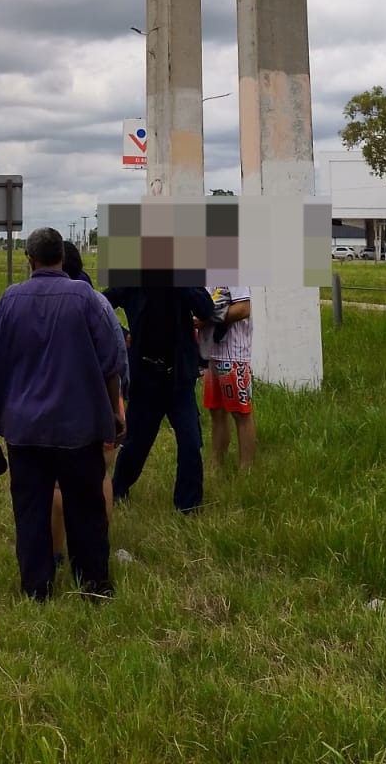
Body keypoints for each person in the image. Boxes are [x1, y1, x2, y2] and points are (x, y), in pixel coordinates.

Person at [0, 226, 124, 601]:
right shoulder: (85, 297)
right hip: (78, 427)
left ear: (30, 260)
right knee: (87, 508)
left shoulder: (10, 299)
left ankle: (36, 589)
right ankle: (93, 585)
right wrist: (114, 412)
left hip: (24, 430)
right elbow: (109, 363)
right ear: (63, 256)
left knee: (30, 511)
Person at [102, 283, 215, 514]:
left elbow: (206, 309)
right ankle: (118, 491)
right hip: (145, 377)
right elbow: (100, 306)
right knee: (135, 443)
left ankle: (188, 506)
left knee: (191, 442)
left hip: (178, 378)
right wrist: (122, 334)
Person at [52, 239, 129, 566]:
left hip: (57, 407)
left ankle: (55, 553)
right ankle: (98, 546)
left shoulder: (44, 302)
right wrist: (119, 403)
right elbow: (119, 358)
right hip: (104, 405)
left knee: (57, 481)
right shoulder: (99, 303)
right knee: (100, 476)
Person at [199, 285, 256, 471]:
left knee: (240, 412)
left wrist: (207, 319)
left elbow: (243, 308)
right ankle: (216, 463)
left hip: (234, 353)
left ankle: (245, 469)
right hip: (211, 352)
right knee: (215, 410)